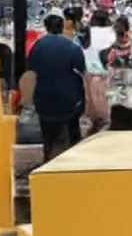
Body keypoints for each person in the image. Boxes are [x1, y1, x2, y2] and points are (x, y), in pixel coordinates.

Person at [19, 13, 87, 161]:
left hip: (44, 98)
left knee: (48, 137)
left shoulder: (37, 47)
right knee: (72, 133)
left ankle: (48, 160)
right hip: (69, 98)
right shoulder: (72, 47)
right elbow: (81, 70)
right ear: (62, 27)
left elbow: (31, 70)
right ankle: (75, 163)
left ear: (46, 27)